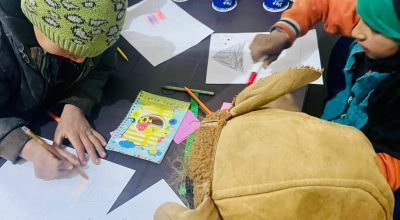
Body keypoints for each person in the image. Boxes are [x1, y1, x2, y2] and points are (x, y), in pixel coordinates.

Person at [250, 0, 400, 191]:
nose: (356, 31)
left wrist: (299, 125)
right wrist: (283, 33)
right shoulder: (379, 14)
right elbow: (323, 4)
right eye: (361, 18)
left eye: (376, 30)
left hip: (347, 167)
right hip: (334, 123)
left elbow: (376, 174)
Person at [0, 0, 127, 180]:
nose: (81, 59)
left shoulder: (100, 26)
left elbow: (101, 66)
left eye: (91, 51)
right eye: (70, 48)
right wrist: (28, 149)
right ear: (40, 21)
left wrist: (76, 104)